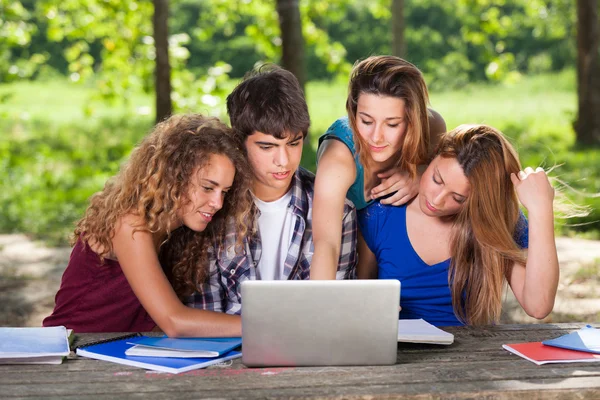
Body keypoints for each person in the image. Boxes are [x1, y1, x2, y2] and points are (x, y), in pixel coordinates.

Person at [43, 114, 254, 336]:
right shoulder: (128, 224)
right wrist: (266, 327)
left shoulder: (179, 232)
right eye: (208, 188)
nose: (217, 203)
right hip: (72, 352)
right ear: (175, 178)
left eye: (225, 192)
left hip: (121, 351)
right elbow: (175, 321)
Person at [190, 65, 357, 315]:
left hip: (309, 347)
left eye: (294, 143)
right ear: (239, 142)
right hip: (231, 349)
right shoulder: (212, 207)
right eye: (267, 147)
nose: (284, 160)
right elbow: (205, 313)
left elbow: (333, 310)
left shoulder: (339, 212)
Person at [358, 124, 559, 326]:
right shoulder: (381, 214)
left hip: (467, 353)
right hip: (395, 349)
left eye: (458, 198)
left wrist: (540, 209)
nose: (436, 201)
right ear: (431, 158)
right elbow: (359, 298)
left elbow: (538, 306)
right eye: (437, 179)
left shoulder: (495, 223)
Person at [311, 55, 447, 280]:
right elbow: (327, 245)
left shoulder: (432, 128)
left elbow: (451, 177)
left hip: (392, 253)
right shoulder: (338, 159)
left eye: (392, 124)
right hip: (344, 248)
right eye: (366, 121)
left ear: (413, 119)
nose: (376, 137)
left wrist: (421, 173)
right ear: (353, 112)